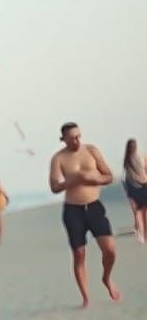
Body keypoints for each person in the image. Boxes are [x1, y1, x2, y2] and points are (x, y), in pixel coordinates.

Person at [49, 123, 119, 307]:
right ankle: (86, 297)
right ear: (63, 139)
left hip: (94, 207)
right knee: (79, 254)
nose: (77, 141)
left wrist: (95, 179)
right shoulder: (58, 158)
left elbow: (109, 176)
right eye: (72, 138)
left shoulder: (92, 151)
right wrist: (71, 181)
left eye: (78, 136)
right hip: (73, 211)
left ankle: (106, 278)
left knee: (110, 249)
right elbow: (55, 186)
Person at [121, 138, 147, 243]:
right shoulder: (141, 157)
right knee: (142, 212)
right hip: (141, 185)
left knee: (137, 212)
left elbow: (127, 176)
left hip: (133, 187)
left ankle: (140, 233)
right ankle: (142, 234)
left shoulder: (126, 159)